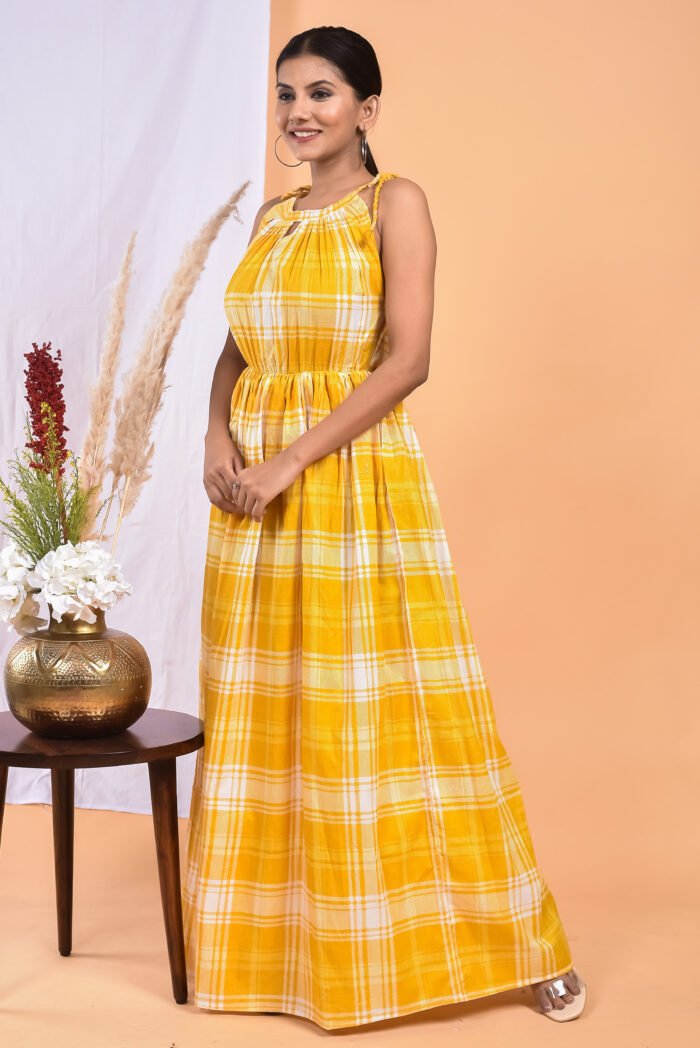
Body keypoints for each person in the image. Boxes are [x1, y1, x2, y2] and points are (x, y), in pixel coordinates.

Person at [182, 24, 586, 1032]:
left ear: (365, 109)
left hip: (351, 489)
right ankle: (294, 960)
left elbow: (407, 361)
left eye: (321, 93)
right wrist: (214, 439)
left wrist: (285, 459)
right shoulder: (273, 218)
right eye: (285, 94)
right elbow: (238, 349)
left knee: (396, 718)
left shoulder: (390, 203)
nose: (298, 112)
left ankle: (527, 948)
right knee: (272, 718)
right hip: (252, 505)